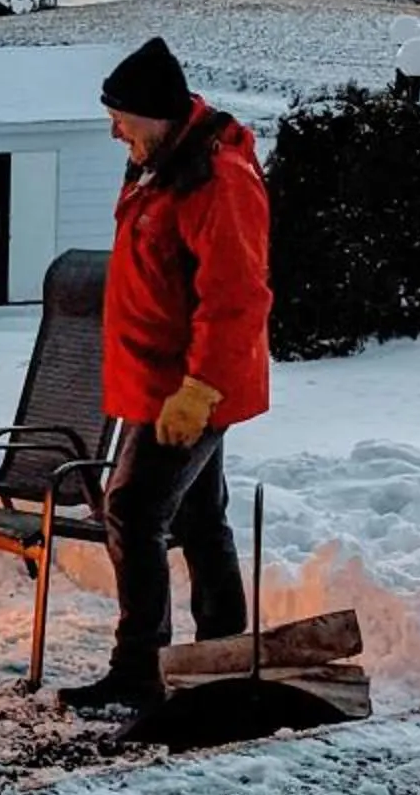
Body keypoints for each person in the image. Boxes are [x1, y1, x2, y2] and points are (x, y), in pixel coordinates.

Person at [59, 37, 269, 713]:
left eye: (122, 116)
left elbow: (236, 298)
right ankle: (220, 657)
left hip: (190, 389)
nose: (113, 128)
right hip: (159, 383)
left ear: (157, 113)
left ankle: (142, 668)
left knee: (133, 509)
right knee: (203, 518)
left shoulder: (217, 180)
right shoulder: (159, 165)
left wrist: (199, 389)